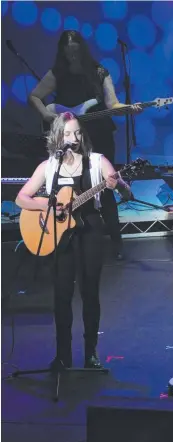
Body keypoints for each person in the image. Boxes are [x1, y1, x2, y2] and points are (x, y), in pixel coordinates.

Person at [16, 112, 133, 370]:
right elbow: (21, 197)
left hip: (89, 230)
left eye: (78, 132)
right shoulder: (49, 167)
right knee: (62, 296)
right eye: (68, 134)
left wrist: (119, 184)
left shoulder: (96, 161)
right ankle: (62, 356)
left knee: (89, 293)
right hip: (60, 237)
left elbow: (126, 189)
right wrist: (50, 204)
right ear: (58, 137)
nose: (74, 138)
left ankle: (91, 353)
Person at [28, 30, 142, 260]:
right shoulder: (58, 73)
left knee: (105, 186)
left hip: (98, 133)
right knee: (66, 188)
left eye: (76, 50)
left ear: (82, 49)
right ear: (62, 51)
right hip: (70, 137)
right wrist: (48, 116)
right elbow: (35, 96)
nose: (72, 55)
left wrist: (129, 108)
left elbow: (113, 103)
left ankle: (115, 243)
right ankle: (64, 235)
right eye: (68, 51)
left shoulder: (99, 72)